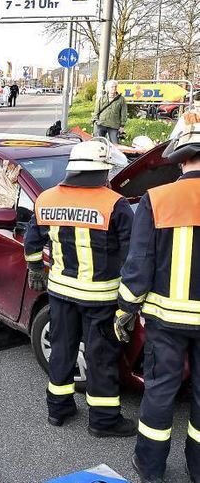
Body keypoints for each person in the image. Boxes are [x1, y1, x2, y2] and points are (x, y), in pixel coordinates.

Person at [24, 138, 135, 437]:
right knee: (101, 357)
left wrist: (35, 268)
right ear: (102, 171)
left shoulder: (46, 199)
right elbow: (132, 257)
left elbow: (32, 242)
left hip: (60, 293)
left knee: (61, 349)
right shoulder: (115, 204)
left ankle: (57, 410)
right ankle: (103, 421)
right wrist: (131, 300)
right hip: (101, 298)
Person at [117, 111, 200, 483]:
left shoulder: (158, 198)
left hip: (166, 322)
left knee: (161, 391)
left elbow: (139, 262)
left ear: (180, 160)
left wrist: (126, 309)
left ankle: (150, 467)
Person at [93, 80, 127, 144]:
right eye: (112, 87)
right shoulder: (102, 98)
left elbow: (124, 113)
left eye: (115, 86)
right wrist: (95, 120)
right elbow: (96, 111)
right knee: (98, 144)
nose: (114, 88)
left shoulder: (121, 99)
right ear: (107, 88)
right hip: (101, 124)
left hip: (114, 125)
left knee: (115, 144)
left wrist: (122, 126)